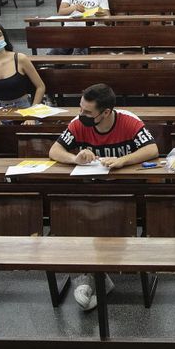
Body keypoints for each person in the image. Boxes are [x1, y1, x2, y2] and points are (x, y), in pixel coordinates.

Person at [47, 83, 158, 309]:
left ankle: (96, 275)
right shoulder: (78, 124)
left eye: (87, 112)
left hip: (126, 192)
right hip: (92, 189)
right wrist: (74, 158)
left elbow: (152, 149)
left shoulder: (128, 121)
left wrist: (123, 160)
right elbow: (54, 151)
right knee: (74, 216)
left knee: (103, 218)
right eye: (80, 109)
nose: (81, 115)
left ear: (106, 112)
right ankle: (91, 274)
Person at [0, 22, 45, 108]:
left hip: (23, 107)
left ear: (4, 37)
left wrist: (32, 114)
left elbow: (40, 87)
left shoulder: (20, 59)